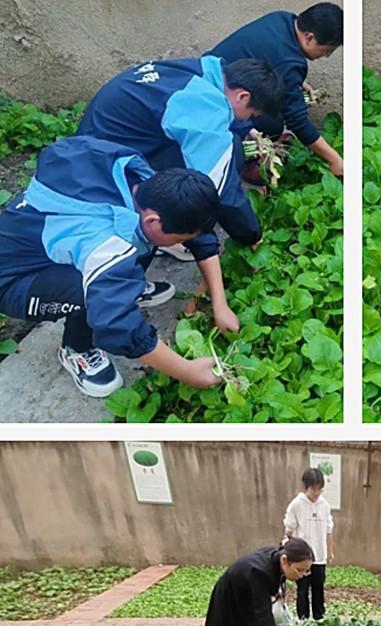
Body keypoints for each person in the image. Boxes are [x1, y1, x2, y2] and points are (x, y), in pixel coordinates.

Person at [0, 136, 225, 398]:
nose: (181, 245)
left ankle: (122, 287)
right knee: (99, 295)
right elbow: (115, 322)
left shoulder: (133, 177)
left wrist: (219, 302)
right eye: (179, 241)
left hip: (37, 245)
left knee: (133, 251)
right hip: (13, 281)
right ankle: (77, 348)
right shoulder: (107, 241)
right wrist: (186, 370)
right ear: (154, 219)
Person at [78, 56, 284, 272]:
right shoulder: (205, 104)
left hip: (102, 140)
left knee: (231, 144)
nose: (244, 120)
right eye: (250, 115)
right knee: (187, 193)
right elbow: (220, 188)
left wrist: (244, 131)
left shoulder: (202, 71)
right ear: (243, 96)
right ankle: (133, 277)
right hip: (105, 169)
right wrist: (251, 235)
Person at [207, 3, 344, 177]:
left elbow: (270, 56)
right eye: (327, 51)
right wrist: (334, 159)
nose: (324, 56)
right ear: (309, 38)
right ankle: (248, 165)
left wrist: (295, 82)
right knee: (273, 122)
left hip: (209, 73)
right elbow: (298, 121)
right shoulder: (288, 64)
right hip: (217, 102)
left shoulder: (282, 19)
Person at [284, 467, 334, 621]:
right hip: (301, 558)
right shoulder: (297, 504)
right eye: (314, 489)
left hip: (319, 556)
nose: (317, 493)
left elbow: (328, 529)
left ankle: (319, 617)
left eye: (320, 489)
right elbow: (289, 531)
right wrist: (290, 553)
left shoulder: (324, 505)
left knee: (318, 589)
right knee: (302, 590)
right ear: (306, 486)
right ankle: (303, 620)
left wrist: (330, 551)